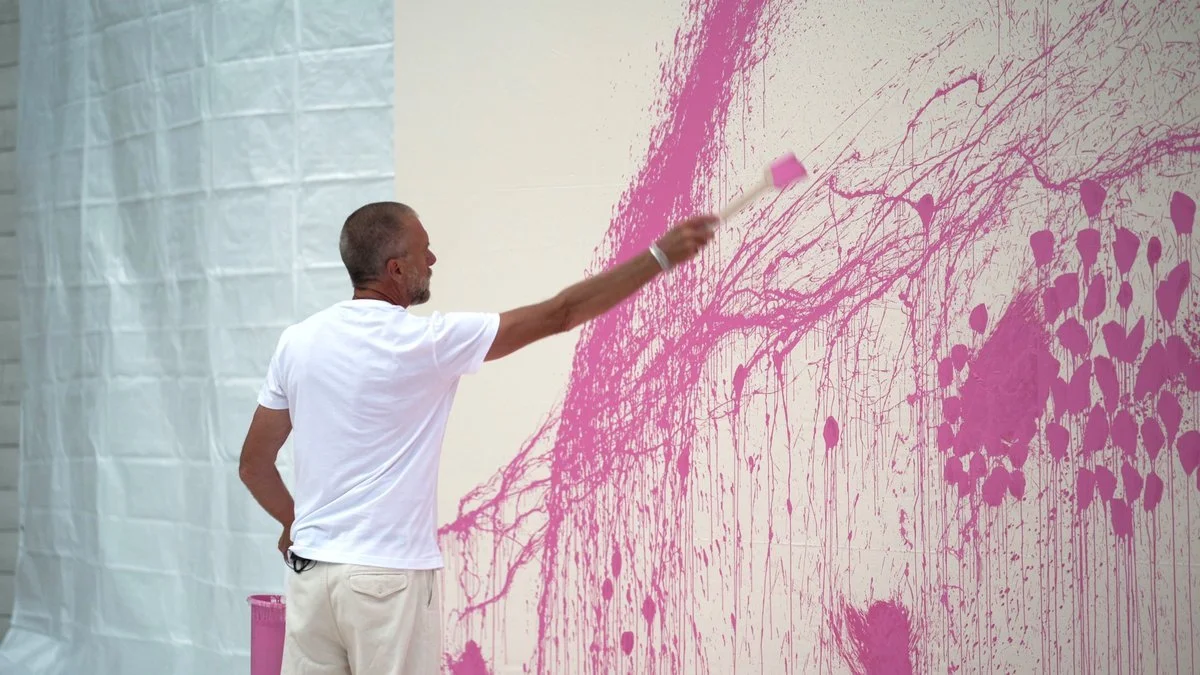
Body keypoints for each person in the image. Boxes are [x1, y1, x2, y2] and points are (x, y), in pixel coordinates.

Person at [238, 201, 716, 674]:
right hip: (384, 583)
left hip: (310, 578)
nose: (433, 259)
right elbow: (560, 313)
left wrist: (295, 521)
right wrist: (659, 257)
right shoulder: (425, 344)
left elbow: (254, 464)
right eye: (423, 251)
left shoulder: (297, 342)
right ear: (395, 268)